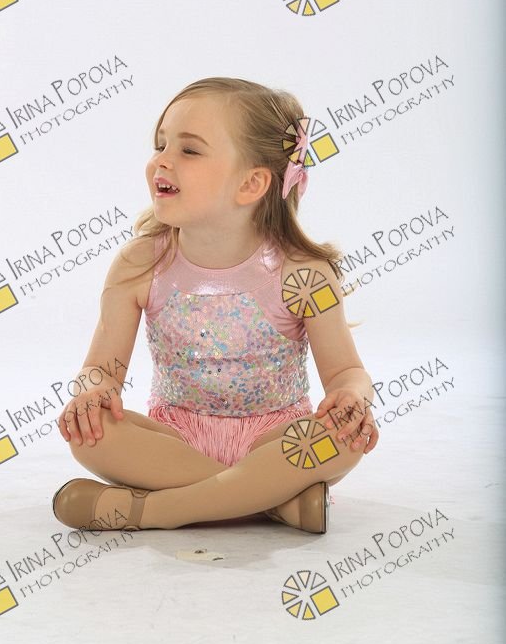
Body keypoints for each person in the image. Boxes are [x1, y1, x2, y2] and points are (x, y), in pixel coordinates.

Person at [53, 77, 378, 533]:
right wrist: (92, 393)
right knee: (92, 436)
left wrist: (351, 397)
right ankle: (275, 502)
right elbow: (101, 369)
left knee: (342, 440)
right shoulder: (139, 264)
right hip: (174, 442)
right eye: (160, 144)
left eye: (189, 150)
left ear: (251, 184)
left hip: (275, 441)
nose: (161, 160)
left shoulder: (304, 273)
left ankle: (154, 510)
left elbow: (346, 371)